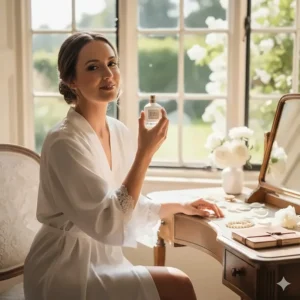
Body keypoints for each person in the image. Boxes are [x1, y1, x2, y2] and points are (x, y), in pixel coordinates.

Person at [23, 32, 224, 300]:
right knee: (177, 284)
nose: (108, 74)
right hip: (65, 268)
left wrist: (179, 207)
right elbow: (109, 220)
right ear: (71, 80)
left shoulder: (117, 131)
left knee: (175, 284)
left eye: (112, 63)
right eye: (93, 67)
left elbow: (126, 205)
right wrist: (144, 154)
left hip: (107, 260)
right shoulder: (64, 142)